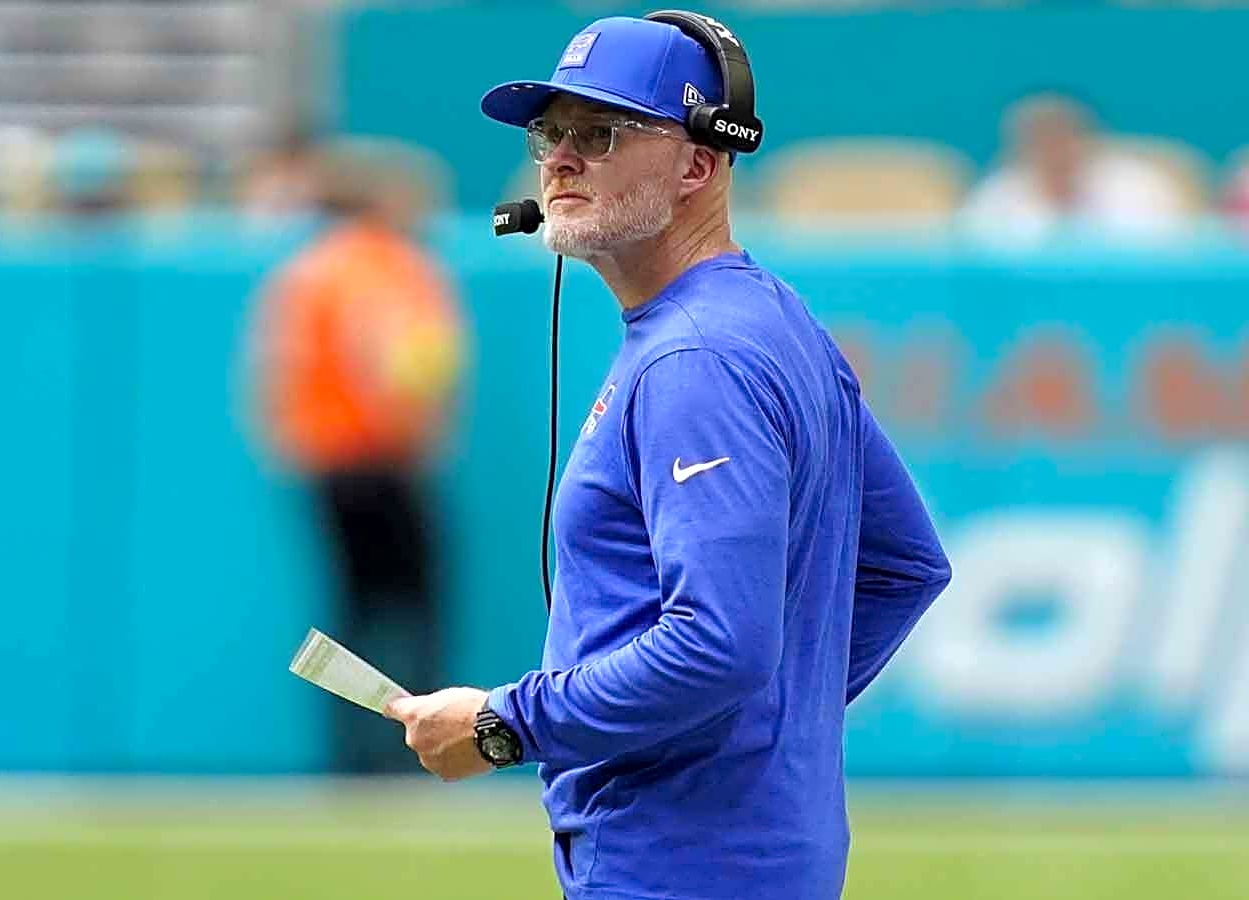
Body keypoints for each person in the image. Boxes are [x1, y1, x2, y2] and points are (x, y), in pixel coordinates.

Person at [381, 14, 951, 900]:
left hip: (676, 866)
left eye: (600, 134)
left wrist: (503, 724)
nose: (559, 161)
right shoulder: (769, 321)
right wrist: (759, 737)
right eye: (550, 134)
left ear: (697, 165)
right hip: (751, 858)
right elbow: (906, 566)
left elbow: (720, 644)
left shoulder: (696, 358)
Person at [249, 140, 465, 773]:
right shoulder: (387, 265)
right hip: (381, 457)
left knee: (351, 609)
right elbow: (396, 355)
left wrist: (291, 440)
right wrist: (420, 427)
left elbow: (271, 368)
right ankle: (418, 749)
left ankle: (350, 755)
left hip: (326, 461)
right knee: (413, 606)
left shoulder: (309, 269)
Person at [958, 92, 1187, 240]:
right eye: (1040, 142)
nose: (1054, 152)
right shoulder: (996, 197)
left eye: (1063, 139)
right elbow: (972, 259)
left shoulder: (1142, 189)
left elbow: (1171, 256)